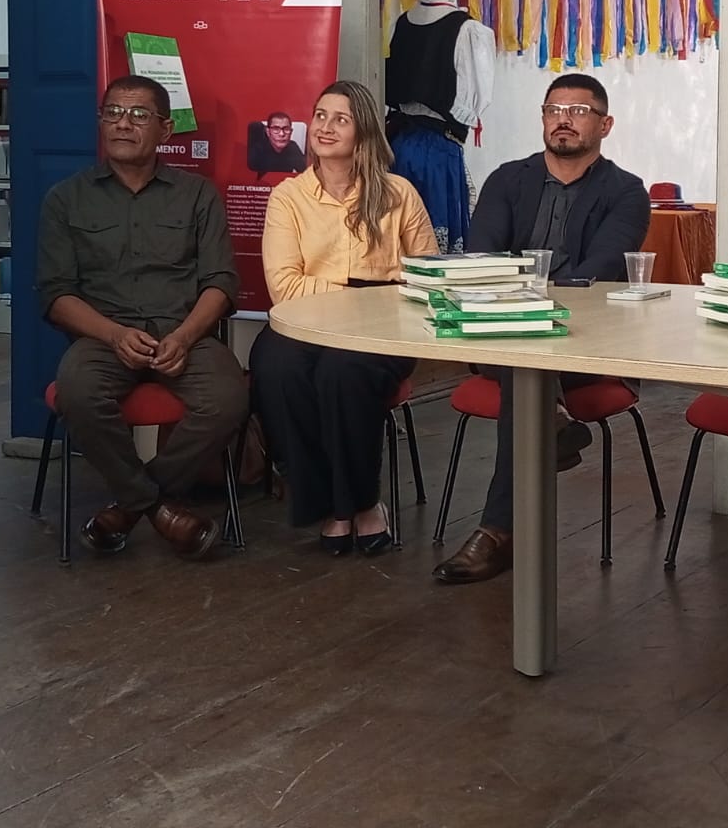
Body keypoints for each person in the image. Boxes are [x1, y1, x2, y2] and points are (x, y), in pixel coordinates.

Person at [433, 74, 651, 584]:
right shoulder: (507, 180)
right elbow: (483, 260)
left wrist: (536, 305)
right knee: (522, 359)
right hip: (497, 329)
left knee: (524, 370)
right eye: (554, 110)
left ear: (605, 124)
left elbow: (598, 275)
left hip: (583, 341)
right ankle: (551, 424)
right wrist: (518, 307)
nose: (563, 120)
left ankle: (498, 531)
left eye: (578, 111)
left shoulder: (625, 192)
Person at [37, 74, 247, 559]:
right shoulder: (65, 199)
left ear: (165, 130)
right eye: (112, 113)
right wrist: (113, 336)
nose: (122, 124)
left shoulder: (197, 195)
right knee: (78, 392)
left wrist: (186, 337)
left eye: (137, 115)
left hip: (184, 335)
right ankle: (157, 507)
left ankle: (129, 507)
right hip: (103, 337)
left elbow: (221, 283)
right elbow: (55, 295)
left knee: (228, 396)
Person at [250, 81, 436, 555]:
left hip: (384, 329)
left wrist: (374, 300)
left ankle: (363, 502)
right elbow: (284, 287)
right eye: (320, 115)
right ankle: (329, 504)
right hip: (304, 321)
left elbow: (428, 279)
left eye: (341, 119)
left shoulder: (399, 194)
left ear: (364, 131)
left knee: (343, 369)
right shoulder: (288, 197)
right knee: (276, 368)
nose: (325, 127)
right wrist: (364, 293)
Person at [248, 111, 306, 177]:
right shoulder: (257, 150)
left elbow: (305, 172)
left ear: (291, 131)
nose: (282, 134)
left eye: (286, 129)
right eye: (276, 129)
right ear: (268, 132)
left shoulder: (293, 147)